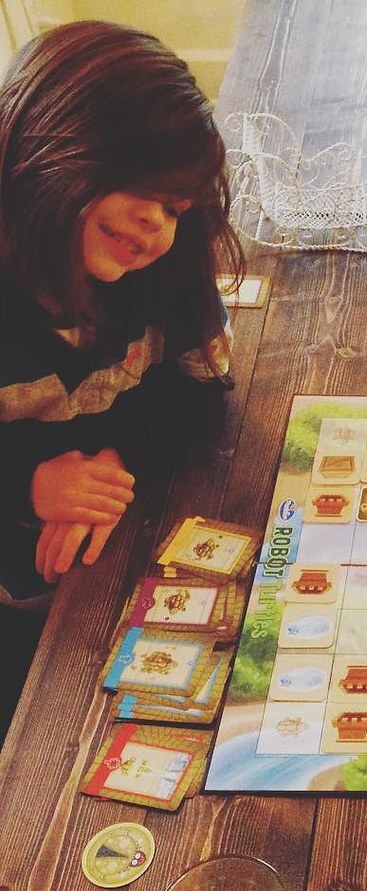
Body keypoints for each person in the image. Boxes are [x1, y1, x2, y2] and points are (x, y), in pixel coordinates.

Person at [0, 20, 244, 737]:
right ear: (49, 148)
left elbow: (203, 394)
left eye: (174, 206)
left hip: (95, 583)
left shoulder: (167, 270)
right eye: (136, 185)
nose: (154, 224)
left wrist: (114, 463)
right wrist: (30, 482)